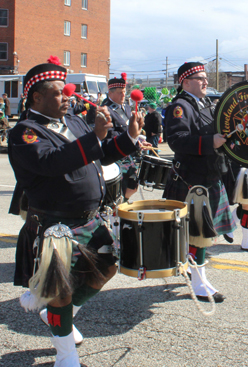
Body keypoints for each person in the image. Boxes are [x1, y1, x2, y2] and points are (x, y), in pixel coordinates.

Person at [8, 58, 144, 366]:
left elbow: (104, 152)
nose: (67, 96)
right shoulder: (25, 133)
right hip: (55, 225)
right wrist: (94, 136)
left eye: (67, 91)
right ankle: (65, 356)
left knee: (107, 267)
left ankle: (61, 317)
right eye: (58, 92)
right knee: (60, 291)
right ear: (36, 98)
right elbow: (52, 162)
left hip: (88, 220)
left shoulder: (73, 121)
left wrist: (130, 137)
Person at [162, 62, 235, 303]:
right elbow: (177, 140)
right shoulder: (180, 107)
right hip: (192, 180)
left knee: (201, 234)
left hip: (209, 175)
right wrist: (209, 142)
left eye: (205, 77)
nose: (205, 81)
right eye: (200, 78)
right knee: (199, 235)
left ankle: (195, 274)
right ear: (185, 82)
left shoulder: (206, 104)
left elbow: (216, 133)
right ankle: (199, 284)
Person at [101, 73, 140, 201]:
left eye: (124, 92)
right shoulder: (105, 110)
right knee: (118, 192)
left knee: (133, 186)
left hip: (129, 155)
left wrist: (139, 141)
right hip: (116, 156)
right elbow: (108, 135)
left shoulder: (127, 108)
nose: (123, 95)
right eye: (119, 92)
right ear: (110, 93)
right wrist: (130, 137)